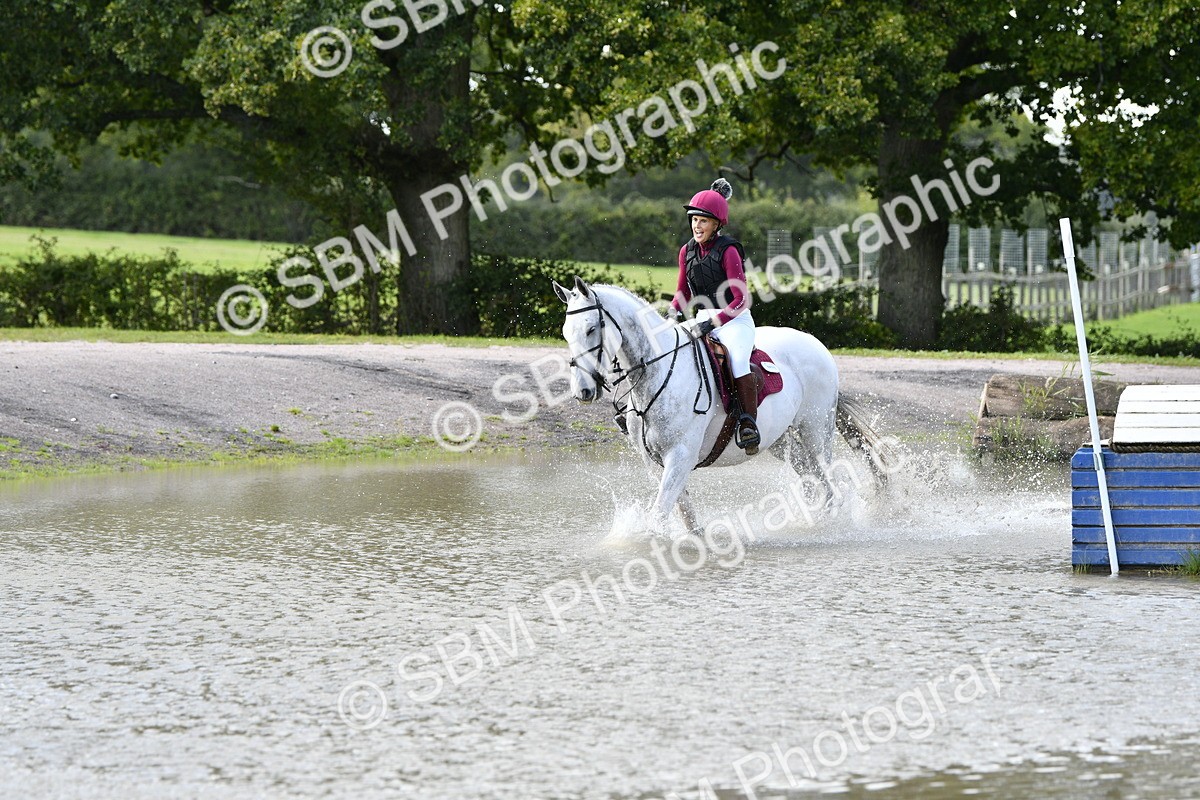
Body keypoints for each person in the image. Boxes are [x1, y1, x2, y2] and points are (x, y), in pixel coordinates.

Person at [669, 177, 760, 454]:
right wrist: (672, 313)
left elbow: (741, 299)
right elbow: (682, 292)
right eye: (694, 219)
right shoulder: (687, 251)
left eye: (703, 221)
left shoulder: (729, 249)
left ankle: (748, 423)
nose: (697, 225)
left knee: (737, 361)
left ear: (717, 224)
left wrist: (714, 321)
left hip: (734, 320)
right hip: (701, 319)